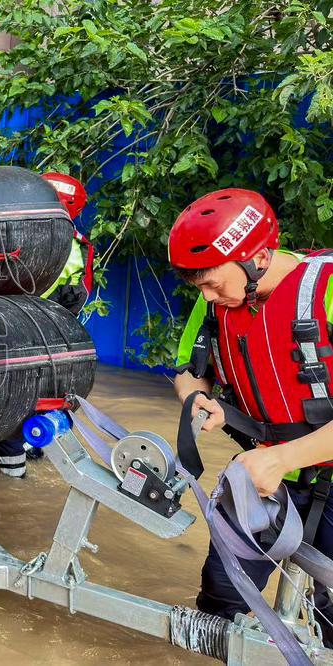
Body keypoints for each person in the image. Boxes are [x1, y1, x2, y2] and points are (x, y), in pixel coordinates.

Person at [170, 187, 333, 644]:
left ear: (258, 258)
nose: (206, 295)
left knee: (330, 623)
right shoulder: (216, 303)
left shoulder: (328, 289)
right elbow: (189, 370)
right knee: (221, 601)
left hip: (296, 470)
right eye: (197, 285)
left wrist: (282, 458)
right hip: (262, 477)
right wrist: (196, 399)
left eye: (213, 283)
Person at [0, 172, 95, 477]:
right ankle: (29, 459)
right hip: (54, 343)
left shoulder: (20, 238)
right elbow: (81, 296)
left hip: (19, 337)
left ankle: (11, 482)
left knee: (10, 409)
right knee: (38, 408)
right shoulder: (80, 247)